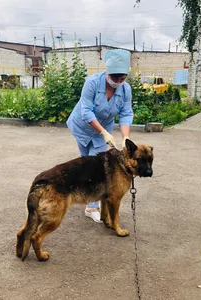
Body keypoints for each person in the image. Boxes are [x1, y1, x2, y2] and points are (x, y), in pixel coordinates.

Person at [66, 49, 134, 223]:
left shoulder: (125, 89)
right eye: (115, 78)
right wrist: (103, 132)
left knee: (96, 164)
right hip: (82, 126)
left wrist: (125, 138)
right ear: (107, 72)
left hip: (103, 129)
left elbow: (126, 113)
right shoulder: (92, 83)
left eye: (122, 78)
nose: (118, 82)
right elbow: (86, 111)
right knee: (86, 160)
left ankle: (93, 205)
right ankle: (92, 200)